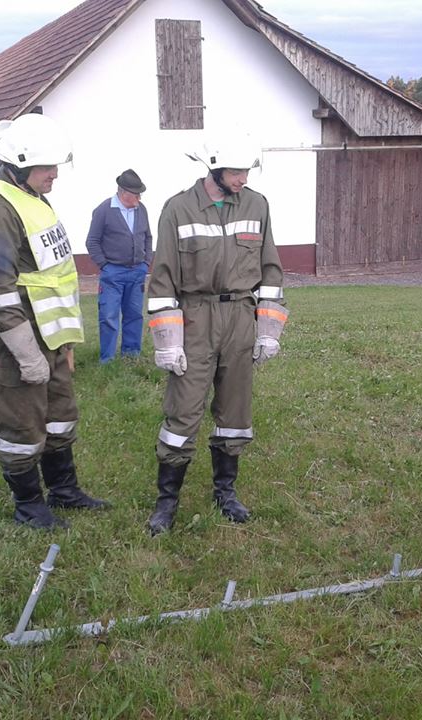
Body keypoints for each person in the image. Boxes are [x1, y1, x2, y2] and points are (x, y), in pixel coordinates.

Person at [0, 113, 108, 530]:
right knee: (20, 423)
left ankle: (64, 490)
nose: (55, 174)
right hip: (18, 336)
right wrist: (26, 354)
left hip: (49, 334)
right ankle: (28, 506)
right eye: (48, 166)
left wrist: (64, 342)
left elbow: (51, 273)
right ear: (20, 163)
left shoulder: (30, 194)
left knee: (60, 415)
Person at [145, 139, 288, 536]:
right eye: (235, 171)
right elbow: (162, 279)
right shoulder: (178, 208)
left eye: (247, 171)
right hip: (195, 318)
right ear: (213, 168)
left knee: (235, 412)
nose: (243, 179)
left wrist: (268, 330)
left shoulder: (257, 205)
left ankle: (226, 492)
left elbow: (270, 270)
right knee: (184, 410)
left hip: (240, 316)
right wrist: (168, 341)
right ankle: (166, 502)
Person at [85, 169, 153, 362]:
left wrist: (146, 262)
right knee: (108, 316)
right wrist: (104, 265)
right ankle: (107, 359)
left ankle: (131, 356)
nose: (139, 198)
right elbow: (92, 241)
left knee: (134, 315)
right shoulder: (104, 210)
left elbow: (148, 237)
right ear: (124, 193)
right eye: (136, 194)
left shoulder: (141, 209)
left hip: (137, 271)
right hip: (112, 273)